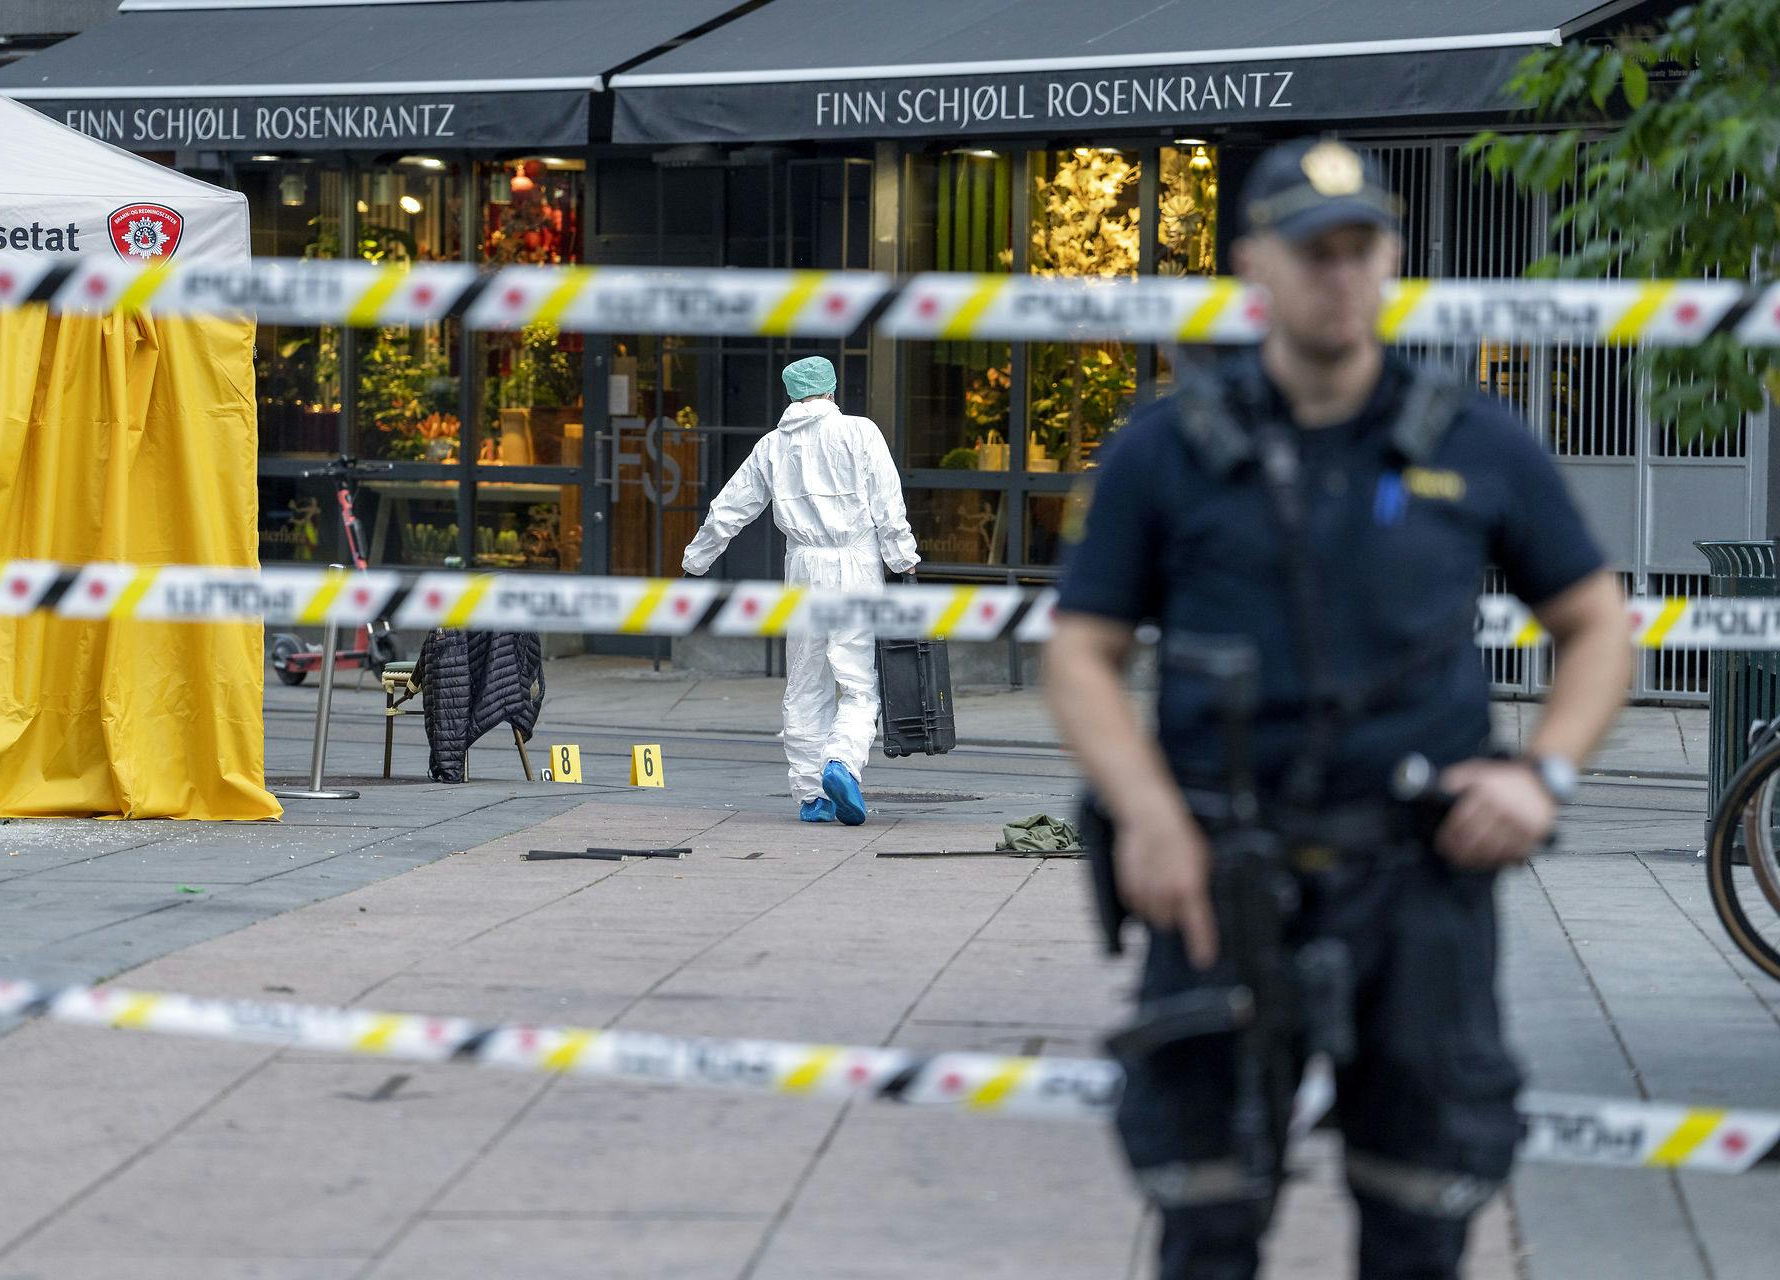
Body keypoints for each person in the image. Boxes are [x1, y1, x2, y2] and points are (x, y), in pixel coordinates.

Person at [1044, 139, 1632, 1279]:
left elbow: (1598, 623)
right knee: (1205, 1213)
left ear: (1391, 261)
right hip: (1219, 875)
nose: (1337, 272)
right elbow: (1083, 650)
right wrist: (1149, 814)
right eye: (1311, 250)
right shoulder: (1169, 450)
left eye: (1360, 248)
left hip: (1417, 884)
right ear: (1255, 261)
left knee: (1421, 1209)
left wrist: (1541, 774)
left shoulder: (1474, 441)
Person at [683, 356, 920, 825]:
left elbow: (728, 508)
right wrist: (903, 562)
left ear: (791, 394)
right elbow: (888, 506)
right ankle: (841, 763)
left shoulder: (772, 446)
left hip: (802, 568)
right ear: (831, 390)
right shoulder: (860, 432)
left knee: (806, 682)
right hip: (855, 564)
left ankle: (813, 795)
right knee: (857, 682)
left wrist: (696, 560)